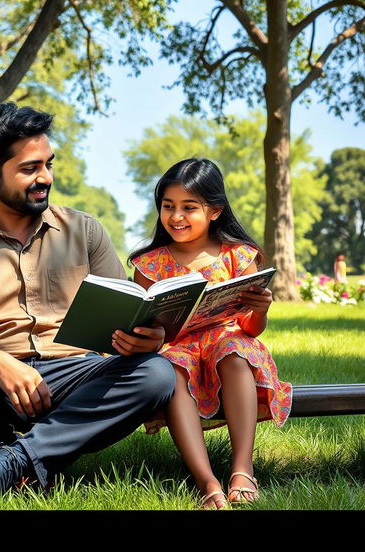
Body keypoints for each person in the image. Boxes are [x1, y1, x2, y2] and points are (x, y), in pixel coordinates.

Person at [0, 103, 175, 504]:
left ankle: (11, 463)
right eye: (30, 168)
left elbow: (125, 308)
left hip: (74, 376)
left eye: (49, 164)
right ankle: (33, 459)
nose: (45, 178)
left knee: (155, 373)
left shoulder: (84, 230)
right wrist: (1, 363)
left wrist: (145, 337)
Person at [129, 158, 292, 509]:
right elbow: (147, 324)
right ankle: (207, 481)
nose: (176, 217)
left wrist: (260, 310)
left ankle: (242, 469)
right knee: (170, 366)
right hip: (178, 347)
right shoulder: (149, 264)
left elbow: (249, 327)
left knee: (234, 350)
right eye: (168, 206)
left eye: (189, 208)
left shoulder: (239, 255)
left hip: (228, 344)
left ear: (215, 211)